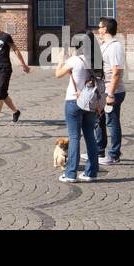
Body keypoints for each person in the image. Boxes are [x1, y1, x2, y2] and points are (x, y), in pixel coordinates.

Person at [53, 44, 100, 183]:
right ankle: (91, 172)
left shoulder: (74, 60)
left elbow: (58, 74)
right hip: (89, 102)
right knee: (90, 136)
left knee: (74, 137)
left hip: (74, 101)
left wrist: (61, 60)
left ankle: (71, 173)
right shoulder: (96, 63)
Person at [0, 17, 29, 125]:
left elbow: (16, 50)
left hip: (5, 68)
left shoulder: (6, 36)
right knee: (3, 93)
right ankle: (16, 112)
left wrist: (23, 64)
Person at [94, 17, 126, 165]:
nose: (98, 30)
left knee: (112, 122)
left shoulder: (115, 47)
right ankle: (98, 151)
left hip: (112, 91)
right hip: (101, 89)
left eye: (99, 27)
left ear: (105, 29)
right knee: (98, 121)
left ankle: (114, 155)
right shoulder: (104, 45)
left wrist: (111, 94)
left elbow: (117, 72)